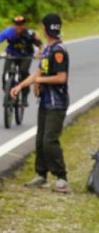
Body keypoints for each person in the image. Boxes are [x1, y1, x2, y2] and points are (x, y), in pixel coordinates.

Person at [13, 13, 70, 193]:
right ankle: (41, 175)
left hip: (57, 103)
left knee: (49, 141)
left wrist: (40, 82)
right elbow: (38, 73)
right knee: (40, 140)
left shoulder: (59, 50)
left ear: (44, 29)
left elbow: (61, 78)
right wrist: (21, 85)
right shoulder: (47, 50)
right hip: (45, 101)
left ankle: (61, 178)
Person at [0, 15, 42, 103]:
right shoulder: (8, 32)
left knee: (23, 71)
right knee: (5, 72)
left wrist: (39, 53)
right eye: (17, 24)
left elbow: (41, 46)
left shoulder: (30, 34)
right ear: (14, 25)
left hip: (26, 55)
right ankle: (7, 90)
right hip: (12, 54)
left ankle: (24, 93)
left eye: (21, 24)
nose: (19, 27)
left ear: (25, 25)